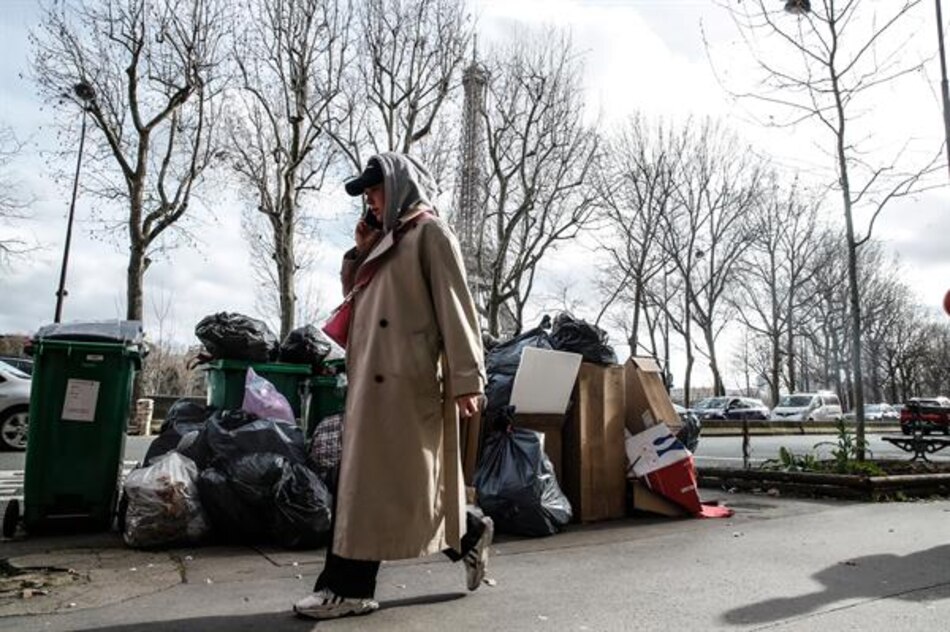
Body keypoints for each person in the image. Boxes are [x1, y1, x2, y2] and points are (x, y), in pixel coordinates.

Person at [294, 152, 494, 620]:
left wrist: (467, 378)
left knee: (372, 490)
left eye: (375, 189)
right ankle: (467, 534)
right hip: (371, 384)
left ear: (399, 187)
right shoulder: (387, 241)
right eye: (366, 194)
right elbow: (356, 305)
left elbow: (457, 308)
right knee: (390, 490)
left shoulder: (429, 233)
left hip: (407, 385)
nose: (370, 200)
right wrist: (360, 253)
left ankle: (346, 587)